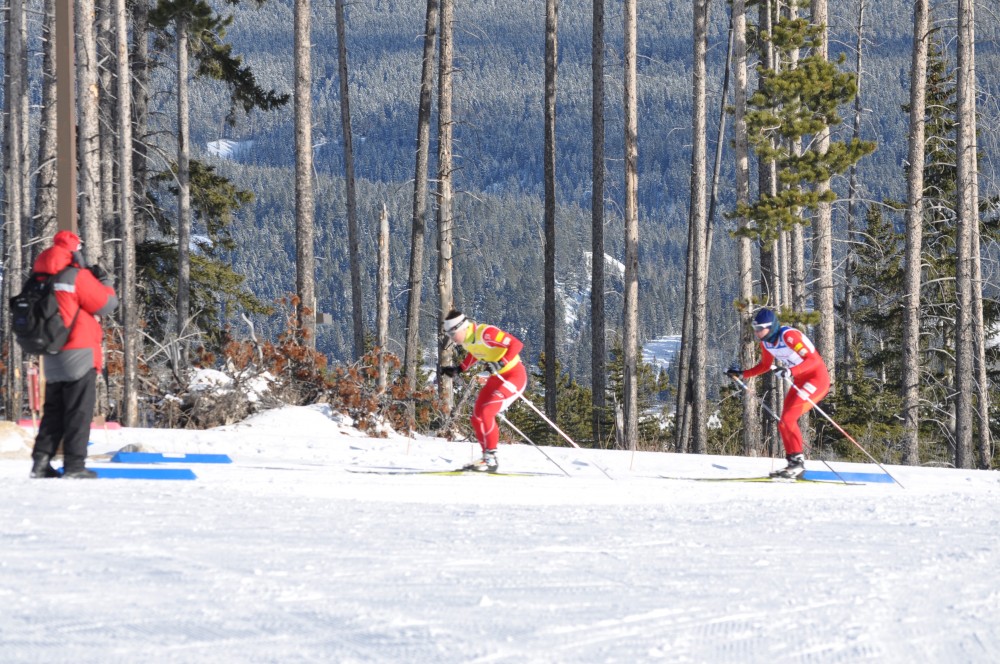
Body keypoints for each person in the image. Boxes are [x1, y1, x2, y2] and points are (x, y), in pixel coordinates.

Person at [29, 230, 118, 479]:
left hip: (52, 352)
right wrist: (105, 282)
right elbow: (106, 305)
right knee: (78, 410)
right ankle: (75, 465)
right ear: (74, 250)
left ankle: (41, 462)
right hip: (79, 350)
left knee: (54, 410)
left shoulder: (40, 276)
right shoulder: (74, 276)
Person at [726, 308, 830, 479]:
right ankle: (793, 463)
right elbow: (765, 366)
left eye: (760, 328)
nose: (757, 332)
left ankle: (798, 463)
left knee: (789, 419)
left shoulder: (789, 336)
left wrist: (790, 371)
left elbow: (814, 360)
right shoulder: (766, 342)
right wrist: (742, 374)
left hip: (817, 380)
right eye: (755, 328)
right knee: (783, 423)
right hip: (800, 381)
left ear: (771, 326)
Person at [439, 309, 527, 472]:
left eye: (452, 334)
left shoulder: (487, 333)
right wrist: (460, 368)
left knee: (487, 412)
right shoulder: (466, 340)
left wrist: (501, 362)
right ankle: (486, 457)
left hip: (514, 375)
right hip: (496, 378)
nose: (451, 338)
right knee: (477, 416)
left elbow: (517, 344)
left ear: (462, 327)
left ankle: (491, 458)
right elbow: (476, 353)